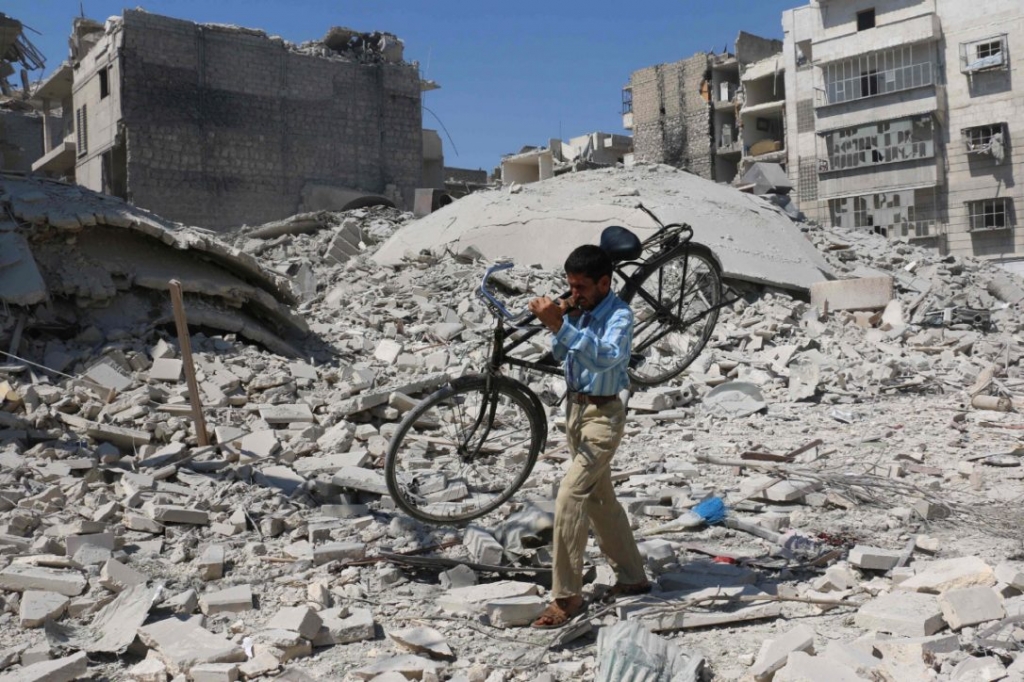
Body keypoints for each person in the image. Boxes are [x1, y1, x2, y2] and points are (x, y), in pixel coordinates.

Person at [526, 244, 650, 629]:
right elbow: (560, 351)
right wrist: (561, 321)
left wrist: (563, 325)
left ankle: (567, 596)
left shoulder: (620, 316)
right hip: (576, 412)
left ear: (604, 282)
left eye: (581, 286)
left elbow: (607, 357)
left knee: (571, 495)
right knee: (599, 497)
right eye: (570, 286)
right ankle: (632, 576)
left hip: (604, 416)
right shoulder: (579, 310)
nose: (574, 292)